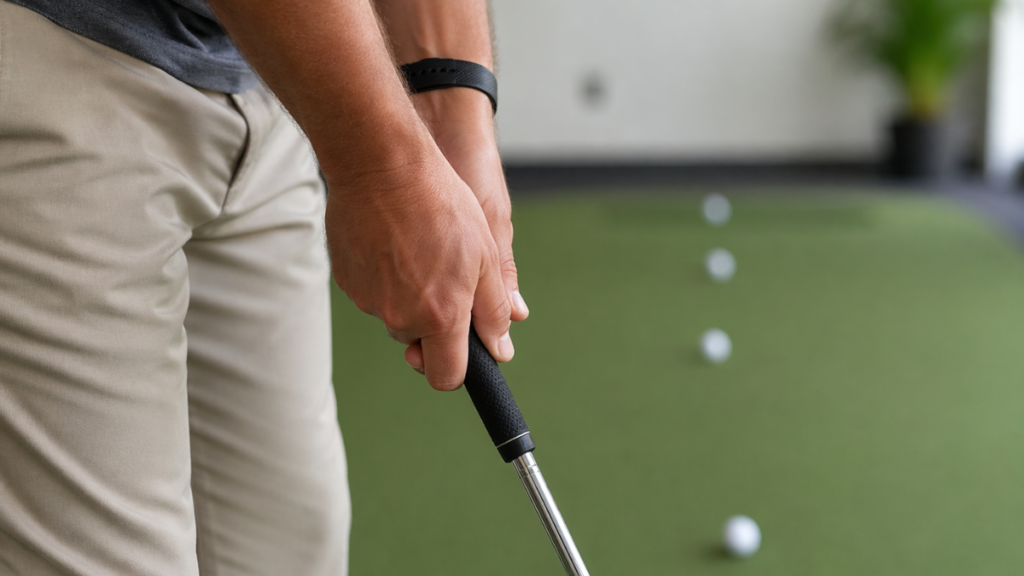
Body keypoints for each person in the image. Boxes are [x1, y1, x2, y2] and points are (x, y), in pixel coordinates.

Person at [0, 0, 528, 573]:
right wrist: (385, 170)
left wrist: (452, 106)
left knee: (292, 548)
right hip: (53, 54)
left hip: (265, 72)